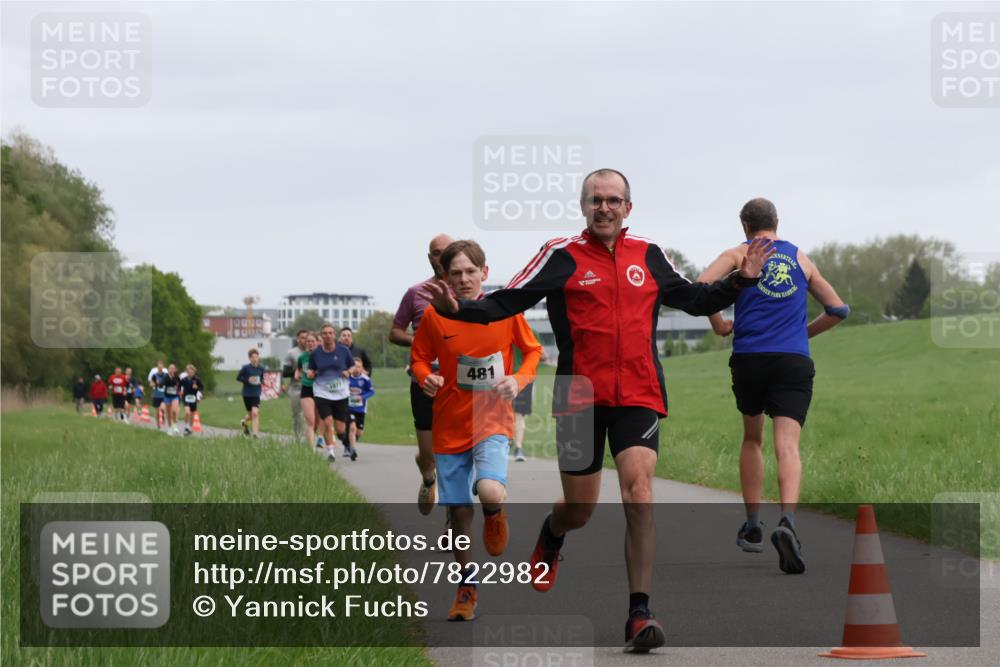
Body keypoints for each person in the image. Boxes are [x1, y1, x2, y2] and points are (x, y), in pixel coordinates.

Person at [424, 168, 773, 651]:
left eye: (613, 200)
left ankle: (639, 614)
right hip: (578, 397)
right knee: (581, 509)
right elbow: (508, 300)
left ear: (628, 207)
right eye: (595, 200)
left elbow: (694, 298)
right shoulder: (560, 255)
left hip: (639, 392)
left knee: (639, 489)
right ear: (584, 207)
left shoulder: (648, 254)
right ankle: (553, 531)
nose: (604, 207)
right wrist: (460, 310)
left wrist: (740, 281)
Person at [696, 197, 848, 574]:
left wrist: (717, 322)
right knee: (788, 445)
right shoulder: (800, 258)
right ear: (776, 223)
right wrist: (803, 334)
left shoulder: (737, 253)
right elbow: (838, 309)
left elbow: (700, 288)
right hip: (792, 360)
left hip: (750, 357)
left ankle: (752, 527)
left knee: (753, 439)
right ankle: (789, 522)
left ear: (744, 225)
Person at [412, 239, 542, 622]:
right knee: (456, 512)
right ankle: (467, 586)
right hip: (450, 421)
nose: (464, 279)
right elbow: (418, 358)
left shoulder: (503, 309)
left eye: (471, 271)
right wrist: (426, 377)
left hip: (492, 418)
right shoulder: (436, 316)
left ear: (484, 273)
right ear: (444, 278)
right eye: (456, 273)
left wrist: (518, 379)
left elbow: (533, 351)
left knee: (486, 488)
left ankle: (495, 510)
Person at [390, 232, 454, 515]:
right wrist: (420, 342)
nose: (442, 257)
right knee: (429, 454)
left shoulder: (465, 289)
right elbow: (395, 332)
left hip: (458, 381)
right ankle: (428, 476)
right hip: (424, 379)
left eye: (447, 251)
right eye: (437, 253)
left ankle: (454, 520)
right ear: (430, 258)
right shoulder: (416, 293)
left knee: (455, 456)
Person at [308, 323, 354, 461]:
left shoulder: (343, 351)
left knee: (340, 429)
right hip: (322, 392)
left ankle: (345, 441)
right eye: (325, 333)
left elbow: (352, 366)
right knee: (328, 422)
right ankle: (331, 452)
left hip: (340, 393)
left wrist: (348, 372)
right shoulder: (316, 353)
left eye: (330, 333)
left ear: (334, 336)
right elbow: (311, 369)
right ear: (321, 336)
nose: (328, 336)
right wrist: (310, 373)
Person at [512, 346, 547, 462]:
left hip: (507, 375)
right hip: (524, 377)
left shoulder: (500, 328)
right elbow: (543, 356)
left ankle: (511, 440)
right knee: (518, 414)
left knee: (510, 414)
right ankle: (518, 447)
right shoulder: (531, 332)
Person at [282, 330, 309, 441]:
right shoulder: (291, 353)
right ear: (298, 339)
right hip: (296, 387)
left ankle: (311, 438)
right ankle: (298, 438)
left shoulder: (313, 352)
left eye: (307, 337)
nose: (305, 340)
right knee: (297, 414)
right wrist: (296, 372)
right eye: (302, 337)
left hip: (310, 387)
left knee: (310, 415)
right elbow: (285, 372)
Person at [346, 357, 375, 461]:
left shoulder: (365, 379)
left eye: (359, 367)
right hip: (349, 408)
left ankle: (352, 441)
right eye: (354, 366)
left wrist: (362, 397)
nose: (356, 369)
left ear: (362, 368)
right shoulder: (347, 378)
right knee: (352, 428)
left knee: (359, 432)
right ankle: (352, 450)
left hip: (361, 409)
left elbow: (372, 392)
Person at [294, 332, 319, 449]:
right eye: (308, 341)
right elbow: (299, 369)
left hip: (321, 389)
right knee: (310, 420)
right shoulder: (302, 357)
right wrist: (297, 374)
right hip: (306, 388)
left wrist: (315, 373)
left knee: (318, 421)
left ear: (317, 342)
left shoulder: (322, 356)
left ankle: (319, 438)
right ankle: (311, 449)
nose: (310, 343)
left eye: (312, 341)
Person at [237, 349, 265, 438]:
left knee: (255, 413)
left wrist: (262, 381)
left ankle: (255, 434)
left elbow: (262, 378)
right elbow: (238, 378)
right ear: (249, 358)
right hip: (247, 393)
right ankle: (244, 422)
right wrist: (247, 380)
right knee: (250, 414)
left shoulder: (261, 368)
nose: (255, 359)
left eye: (256, 357)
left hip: (256, 393)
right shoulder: (245, 368)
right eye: (253, 357)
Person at [179, 364, 204, 436]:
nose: (190, 373)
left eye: (192, 372)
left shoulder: (197, 379)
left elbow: (202, 387)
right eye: (189, 372)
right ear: (187, 372)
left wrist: (197, 388)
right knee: (187, 412)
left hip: (193, 398)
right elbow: (179, 386)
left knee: (192, 414)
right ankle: (186, 426)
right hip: (185, 397)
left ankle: (190, 428)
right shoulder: (184, 379)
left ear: (194, 372)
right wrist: (179, 391)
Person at [160, 364, 182, 434]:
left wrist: (178, 389)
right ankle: (170, 428)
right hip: (167, 397)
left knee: (174, 411)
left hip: (175, 396)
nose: (171, 370)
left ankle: (175, 426)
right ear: (168, 369)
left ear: (175, 370)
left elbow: (180, 386)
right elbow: (161, 384)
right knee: (169, 414)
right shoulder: (165, 376)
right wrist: (161, 383)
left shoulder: (177, 377)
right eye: (170, 368)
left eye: (173, 368)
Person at [148, 361, 168, 427]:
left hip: (164, 394)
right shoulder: (154, 375)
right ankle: (158, 425)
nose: (160, 368)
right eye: (159, 367)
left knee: (162, 408)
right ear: (157, 367)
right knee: (157, 411)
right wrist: (155, 383)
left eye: (161, 367)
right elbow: (150, 384)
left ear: (163, 367)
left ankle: (163, 416)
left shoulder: (166, 375)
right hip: (156, 393)